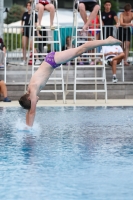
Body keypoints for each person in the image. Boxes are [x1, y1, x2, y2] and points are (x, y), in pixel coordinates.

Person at [19, 36, 122, 127]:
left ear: (29, 98)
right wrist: (26, 125)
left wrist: (29, 129)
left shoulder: (32, 90)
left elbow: (32, 112)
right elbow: (29, 111)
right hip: (52, 61)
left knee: (80, 50)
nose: (35, 102)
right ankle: (106, 41)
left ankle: (107, 41)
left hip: (52, 60)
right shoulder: (31, 90)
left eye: (33, 102)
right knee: (80, 50)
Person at [20, 1, 41, 66]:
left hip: (32, 31)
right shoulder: (25, 14)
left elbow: (36, 24)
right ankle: (24, 60)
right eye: (27, 5)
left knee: (32, 46)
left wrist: (38, 33)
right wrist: (21, 28)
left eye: (30, 5)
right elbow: (22, 21)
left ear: (32, 6)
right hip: (25, 31)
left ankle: (37, 59)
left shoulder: (34, 14)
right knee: (23, 46)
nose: (28, 7)